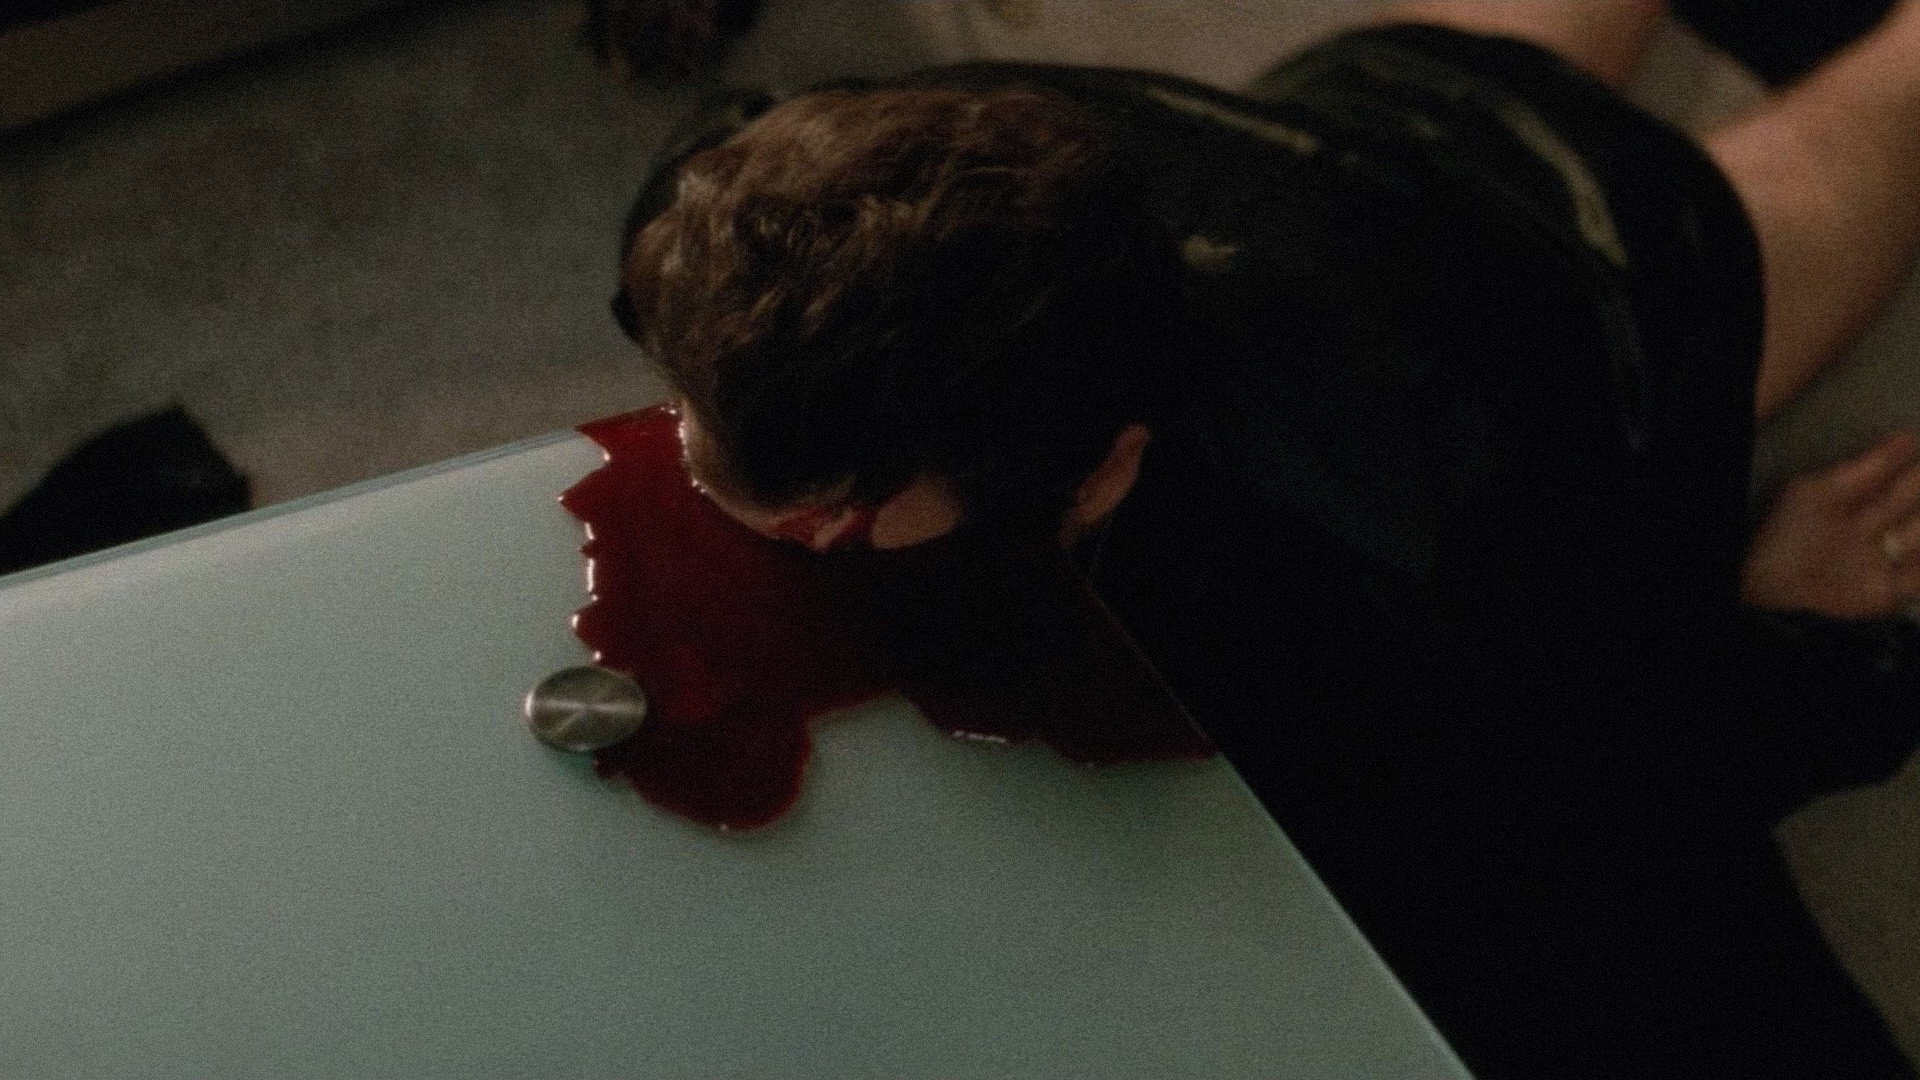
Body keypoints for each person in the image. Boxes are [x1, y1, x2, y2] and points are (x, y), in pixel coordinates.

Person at [610, 2, 1920, 1075]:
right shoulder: (762, 190)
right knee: (1460, 70)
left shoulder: (1419, 529)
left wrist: (1789, 628)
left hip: (1586, 275)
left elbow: (1632, 749)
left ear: (1107, 472)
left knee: (1838, 145)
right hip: (1331, 124)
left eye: (831, 518)